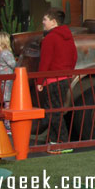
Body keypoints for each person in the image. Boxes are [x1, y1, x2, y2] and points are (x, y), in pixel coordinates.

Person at [37, 8, 77, 148]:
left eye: (45, 19)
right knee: (56, 110)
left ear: (53, 22)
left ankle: (63, 141)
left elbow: (45, 61)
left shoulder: (50, 38)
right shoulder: (68, 36)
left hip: (52, 79)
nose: (43, 22)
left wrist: (39, 81)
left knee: (53, 112)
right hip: (64, 78)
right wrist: (69, 73)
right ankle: (54, 140)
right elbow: (74, 56)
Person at [0, 30, 15, 133]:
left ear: (0, 42)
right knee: (6, 101)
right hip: (5, 80)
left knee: (8, 102)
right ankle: (7, 124)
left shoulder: (5, 54)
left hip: (7, 81)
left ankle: (8, 125)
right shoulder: (2, 54)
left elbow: (13, 65)